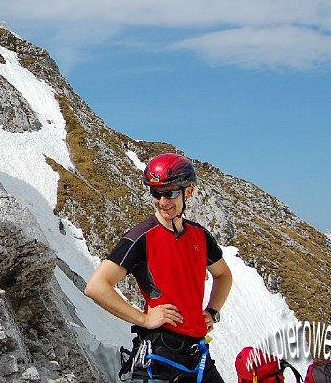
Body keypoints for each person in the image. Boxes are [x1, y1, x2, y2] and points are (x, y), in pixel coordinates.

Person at [84, 153, 233, 382]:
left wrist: (212, 311)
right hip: (160, 354)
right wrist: (143, 320)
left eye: (171, 192)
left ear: (189, 191)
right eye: (156, 193)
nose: (163, 201)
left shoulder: (200, 236)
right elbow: (96, 286)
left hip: (197, 353)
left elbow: (223, 275)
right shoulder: (141, 237)